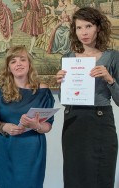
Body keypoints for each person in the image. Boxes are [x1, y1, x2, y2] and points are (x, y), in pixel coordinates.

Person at [56, 7, 119, 188]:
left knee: (101, 176)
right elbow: (64, 99)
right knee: (74, 177)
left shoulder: (112, 57)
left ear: (98, 27)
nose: (83, 32)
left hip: (101, 122)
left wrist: (109, 79)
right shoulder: (67, 58)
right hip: (73, 121)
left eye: (88, 26)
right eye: (79, 28)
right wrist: (61, 83)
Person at [0, 45, 55, 188]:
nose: (18, 64)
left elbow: (48, 125)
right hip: (6, 149)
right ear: (9, 67)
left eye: (22, 60)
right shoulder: (0, 91)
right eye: (13, 61)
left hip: (32, 151)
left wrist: (36, 125)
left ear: (29, 63)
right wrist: (4, 126)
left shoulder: (43, 91)